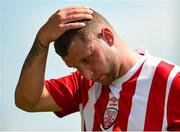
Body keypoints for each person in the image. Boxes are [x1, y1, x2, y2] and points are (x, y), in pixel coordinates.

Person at [15, 6, 180, 131]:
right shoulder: (82, 84)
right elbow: (28, 101)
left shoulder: (172, 80)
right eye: (76, 67)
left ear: (107, 37)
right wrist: (41, 41)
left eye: (87, 59)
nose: (87, 74)